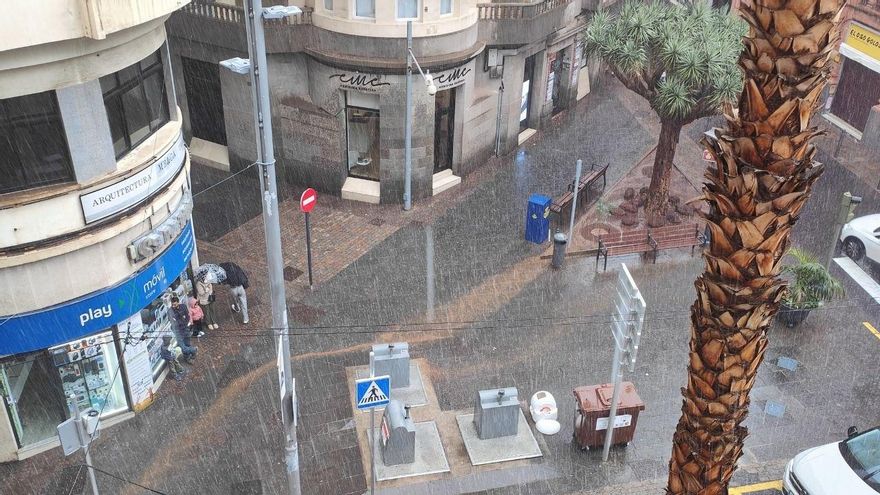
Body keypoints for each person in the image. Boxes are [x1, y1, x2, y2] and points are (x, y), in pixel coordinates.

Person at [169, 296, 197, 362]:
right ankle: (193, 350)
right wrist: (181, 322)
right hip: (177, 331)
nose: (173, 306)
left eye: (175, 304)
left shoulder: (183, 306)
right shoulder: (170, 311)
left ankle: (187, 358)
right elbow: (173, 322)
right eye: (172, 304)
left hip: (185, 328)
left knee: (187, 344)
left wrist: (185, 323)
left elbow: (187, 316)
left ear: (178, 302)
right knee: (182, 347)